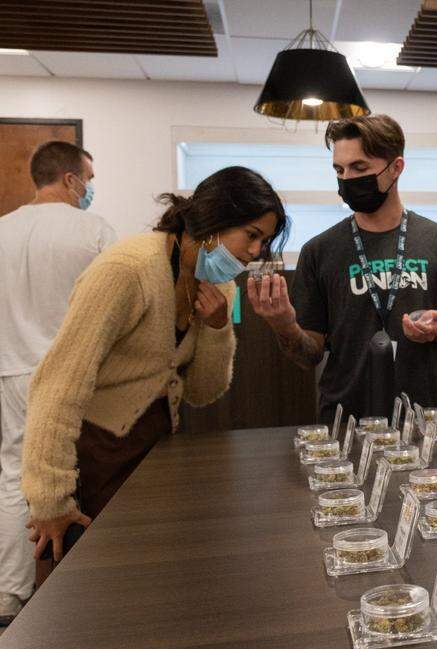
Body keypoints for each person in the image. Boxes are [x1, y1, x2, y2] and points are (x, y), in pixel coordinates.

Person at [20, 166, 287, 565]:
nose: (255, 252)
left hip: (155, 444)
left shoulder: (219, 284)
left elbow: (203, 392)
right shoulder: (128, 269)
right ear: (213, 219)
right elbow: (57, 385)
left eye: (263, 242)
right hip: (93, 453)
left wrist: (217, 329)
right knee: (91, 577)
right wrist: (50, 500)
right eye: (251, 235)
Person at [249, 115, 437, 423]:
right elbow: (309, 355)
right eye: (339, 170)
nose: (347, 179)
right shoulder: (319, 250)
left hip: (422, 421)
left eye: (359, 168)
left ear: (396, 168)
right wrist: (285, 326)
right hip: (344, 423)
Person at [0, 141, 115, 625]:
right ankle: (81, 594)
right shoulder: (93, 230)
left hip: (11, 369)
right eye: (89, 179)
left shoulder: (3, 229)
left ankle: (9, 597)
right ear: (70, 179)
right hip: (72, 374)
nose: (90, 188)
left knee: (15, 476)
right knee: (78, 474)